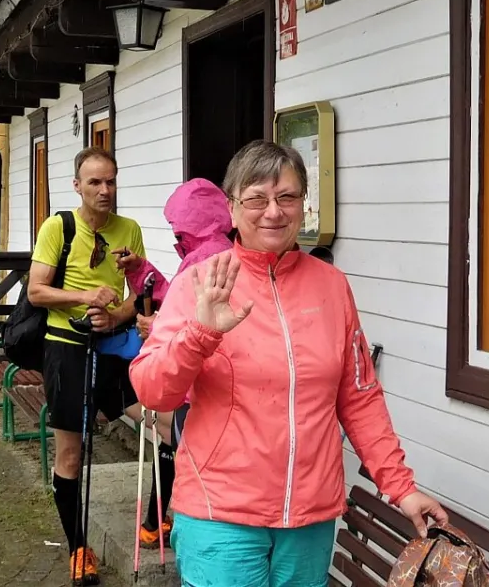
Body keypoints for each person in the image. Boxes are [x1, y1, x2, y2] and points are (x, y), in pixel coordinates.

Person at [129, 140, 448, 585]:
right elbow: (151, 390)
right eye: (256, 199)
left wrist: (401, 487)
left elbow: (359, 398)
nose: (273, 212)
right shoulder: (201, 283)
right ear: (231, 208)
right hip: (220, 511)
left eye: (287, 197)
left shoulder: (331, 286)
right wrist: (200, 334)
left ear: (303, 205)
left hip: (309, 517)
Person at [25, 146, 166, 585]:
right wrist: (85, 298)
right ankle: (78, 549)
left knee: (165, 422)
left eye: (110, 181)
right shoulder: (58, 227)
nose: (105, 190)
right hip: (67, 350)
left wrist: (117, 316)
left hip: (114, 349)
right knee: (71, 453)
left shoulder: (129, 229)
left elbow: (137, 294)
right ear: (77, 186)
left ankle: (155, 522)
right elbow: (36, 292)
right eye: (95, 182)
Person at [112, 177, 235, 548]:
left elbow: (195, 322)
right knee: (174, 444)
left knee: (188, 456)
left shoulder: (204, 259)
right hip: (202, 383)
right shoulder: (218, 250)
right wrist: (140, 270)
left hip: (201, 385)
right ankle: (160, 523)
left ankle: (181, 531)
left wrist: (155, 328)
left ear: (191, 223)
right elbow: (173, 296)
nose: (173, 232)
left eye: (176, 225)